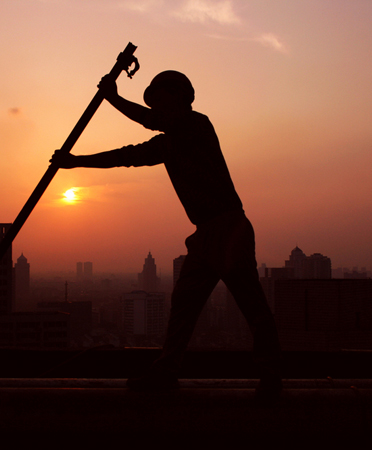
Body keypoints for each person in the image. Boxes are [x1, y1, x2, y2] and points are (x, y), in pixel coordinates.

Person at [51, 70, 282, 403]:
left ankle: (271, 374)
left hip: (228, 228)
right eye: (153, 103)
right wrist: (76, 162)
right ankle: (167, 371)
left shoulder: (197, 125)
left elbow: (150, 122)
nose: (156, 108)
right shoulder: (167, 144)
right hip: (204, 235)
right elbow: (125, 156)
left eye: (160, 100)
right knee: (183, 306)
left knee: (252, 305)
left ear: (180, 97)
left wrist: (113, 98)